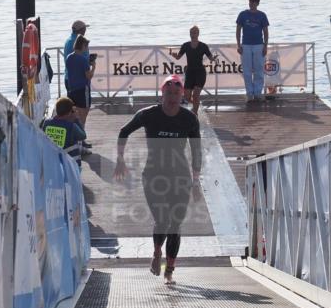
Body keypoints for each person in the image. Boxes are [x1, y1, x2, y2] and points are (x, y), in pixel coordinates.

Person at [113, 75, 201, 285]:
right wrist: (120, 159)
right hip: (154, 175)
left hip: (180, 177)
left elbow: (196, 151)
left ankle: (170, 269)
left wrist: (196, 181)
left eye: (176, 94)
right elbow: (124, 131)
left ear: (182, 95)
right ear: (162, 94)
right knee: (162, 220)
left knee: (175, 225)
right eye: (168, 93)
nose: (172, 98)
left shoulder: (189, 119)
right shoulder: (147, 115)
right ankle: (156, 252)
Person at [171, 26, 217, 112]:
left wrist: (214, 58)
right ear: (189, 34)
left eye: (195, 32)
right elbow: (178, 57)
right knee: (187, 97)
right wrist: (174, 55)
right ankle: (197, 105)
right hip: (190, 72)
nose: (193, 34)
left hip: (200, 72)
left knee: (196, 95)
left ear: (198, 34)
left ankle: (195, 113)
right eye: (191, 32)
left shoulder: (203, 46)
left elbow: (211, 58)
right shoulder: (185, 45)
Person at [235, 0, 269, 103]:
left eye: (254, 2)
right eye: (250, 2)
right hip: (246, 45)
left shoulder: (262, 15)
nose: (252, 4)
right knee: (247, 71)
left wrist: (265, 46)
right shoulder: (243, 14)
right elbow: (238, 30)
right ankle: (249, 93)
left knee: (259, 70)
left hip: (259, 44)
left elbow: (265, 31)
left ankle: (257, 93)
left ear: (257, 4)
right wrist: (238, 45)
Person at [42, 97, 87, 167]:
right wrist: (76, 119)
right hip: (71, 165)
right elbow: (83, 136)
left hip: (53, 163)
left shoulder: (46, 123)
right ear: (69, 113)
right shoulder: (71, 127)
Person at [65, 35, 95, 131]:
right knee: (83, 115)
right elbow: (88, 76)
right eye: (86, 46)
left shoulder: (69, 57)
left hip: (72, 89)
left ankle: (75, 136)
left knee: (73, 115)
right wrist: (93, 67)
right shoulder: (83, 59)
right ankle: (81, 139)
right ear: (82, 46)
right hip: (82, 90)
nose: (87, 49)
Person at [63, 20, 89, 92]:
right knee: (82, 103)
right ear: (81, 30)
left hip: (68, 78)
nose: (85, 30)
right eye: (84, 29)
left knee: (72, 102)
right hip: (79, 81)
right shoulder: (79, 42)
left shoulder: (68, 40)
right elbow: (84, 60)